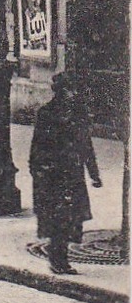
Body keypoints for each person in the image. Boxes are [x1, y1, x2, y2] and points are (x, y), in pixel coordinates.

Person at [30, 71, 102, 275]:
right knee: (58, 218)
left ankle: (61, 259)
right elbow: (38, 146)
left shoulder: (79, 114)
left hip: (73, 173)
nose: (74, 93)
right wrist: (39, 172)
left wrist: (94, 174)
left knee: (72, 217)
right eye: (71, 89)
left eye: (75, 90)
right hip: (54, 174)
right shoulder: (47, 113)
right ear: (61, 91)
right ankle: (57, 260)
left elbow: (86, 145)